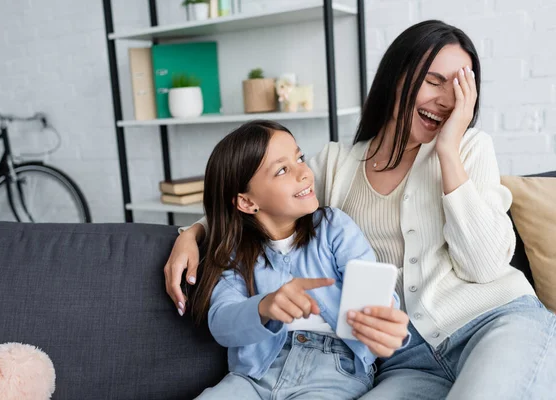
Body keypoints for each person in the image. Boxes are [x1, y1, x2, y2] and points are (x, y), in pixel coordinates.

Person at [166, 20, 556, 399]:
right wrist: (193, 233)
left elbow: (485, 266)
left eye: (460, 87)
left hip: (498, 324)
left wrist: (448, 152)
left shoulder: (470, 149)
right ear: (396, 77)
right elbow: (257, 196)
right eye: (434, 81)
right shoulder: (335, 165)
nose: (447, 99)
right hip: (408, 361)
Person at [191, 120, 409, 399]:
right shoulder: (232, 253)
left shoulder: (333, 227)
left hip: (333, 369)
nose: (304, 172)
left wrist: (384, 316)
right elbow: (222, 323)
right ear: (246, 202)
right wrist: (264, 306)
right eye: (283, 170)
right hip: (254, 374)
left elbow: (376, 293)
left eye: (300, 158)